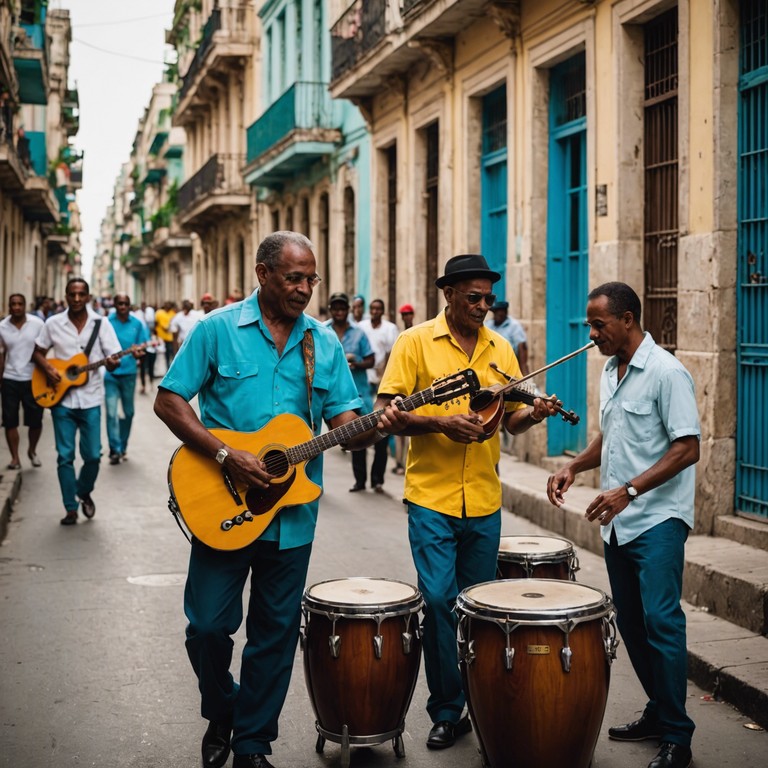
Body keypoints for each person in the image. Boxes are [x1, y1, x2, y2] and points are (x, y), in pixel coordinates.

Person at [154, 231, 378, 768]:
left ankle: (253, 742)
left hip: (291, 516)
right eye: (293, 278)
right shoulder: (216, 330)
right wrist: (228, 455)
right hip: (223, 508)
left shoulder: (323, 343)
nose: (305, 289)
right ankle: (223, 709)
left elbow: (345, 422)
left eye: (311, 279)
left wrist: (377, 424)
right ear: (263, 274)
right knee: (207, 626)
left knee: (274, 637)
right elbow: (169, 401)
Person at [376, 253, 556, 750]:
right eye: (473, 297)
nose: (482, 306)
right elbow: (383, 412)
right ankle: (447, 709)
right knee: (437, 600)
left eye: (488, 298)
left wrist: (534, 414)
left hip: (482, 497)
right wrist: (438, 422)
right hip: (430, 496)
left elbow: (510, 420)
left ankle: (479, 701)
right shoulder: (414, 343)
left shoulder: (501, 349)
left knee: (476, 606)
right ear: (449, 295)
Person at [546, 282, 700, 768]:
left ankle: (678, 736)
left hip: (658, 519)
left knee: (661, 622)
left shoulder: (667, 373)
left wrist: (628, 490)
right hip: (619, 525)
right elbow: (611, 437)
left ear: (628, 320)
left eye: (598, 325)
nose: (591, 334)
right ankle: (660, 711)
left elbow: (687, 448)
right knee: (632, 626)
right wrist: (575, 465)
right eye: (590, 326)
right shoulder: (610, 372)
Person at [32, 278, 123, 525]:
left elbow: (113, 356)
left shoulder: (101, 324)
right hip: (62, 400)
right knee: (65, 456)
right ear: (66, 296)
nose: (76, 299)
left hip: (91, 398)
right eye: (72, 294)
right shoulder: (52, 324)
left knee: (93, 455)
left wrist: (114, 362)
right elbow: (37, 352)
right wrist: (49, 369)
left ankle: (83, 490)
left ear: (88, 296)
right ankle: (70, 508)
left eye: (81, 294)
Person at [323, 291, 376, 492]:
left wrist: (357, 363)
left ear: (348, 310)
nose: (338, 312)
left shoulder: (359, 333)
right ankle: (359, 480)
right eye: (335, 308)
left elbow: (371, 359)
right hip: (332, 396)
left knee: (369, 435)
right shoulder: (322, 331)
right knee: (345, 439)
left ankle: (373, 479)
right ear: (331, 310)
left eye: (342, 308)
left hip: (359, 392)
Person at [358, 298, 399, 490]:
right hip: (362, 385)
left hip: (382, 384)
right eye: (372, 308)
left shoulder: (390, 329)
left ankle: (377, 480)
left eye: (378, 309)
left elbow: (392, 354)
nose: (375, 311)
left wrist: (386, 375)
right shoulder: (361, 326)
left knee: (380, 431)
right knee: (360, 430)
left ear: (382, 311)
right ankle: (360, 480)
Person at [0, 293, 45, 469]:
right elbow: (1, 355)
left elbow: (45, 349)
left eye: (20, 304)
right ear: (9, 306)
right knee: (10, 421)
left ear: (25, 305)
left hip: (33, 379)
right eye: (13, 304)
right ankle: (15, 458)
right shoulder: (2, 327)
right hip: (10, 379)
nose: (17, 307)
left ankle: (32, 451)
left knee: (35, 421)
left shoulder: (38, 324)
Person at [105, 293, 149, 464]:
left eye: (125, 303)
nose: (122, 306)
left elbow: (142, 347)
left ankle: (123, 446)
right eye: (119, 303)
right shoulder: (107, 323)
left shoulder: (137, 324)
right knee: (111, 413)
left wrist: (139, 354)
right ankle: (114, 449)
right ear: (114, 305)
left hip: (129, 374)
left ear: (129, 305)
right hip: (110, 375)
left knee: (128, 413)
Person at [485, 300, 529, 375]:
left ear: (505, 312)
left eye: (498, 312)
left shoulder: (514, 326)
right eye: (494, 312)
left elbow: (522, 348)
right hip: (490, 364)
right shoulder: (488, 324)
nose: (496, 314)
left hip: (508, 365)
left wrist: (524, 372)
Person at [155, 300, 176, 371]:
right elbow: (156, 323)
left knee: (170, 354)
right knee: (162, 354)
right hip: (161, 338)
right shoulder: (159, 313)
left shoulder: (173, 313)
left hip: (170, 338)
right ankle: (163, 369)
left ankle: (170, 368)